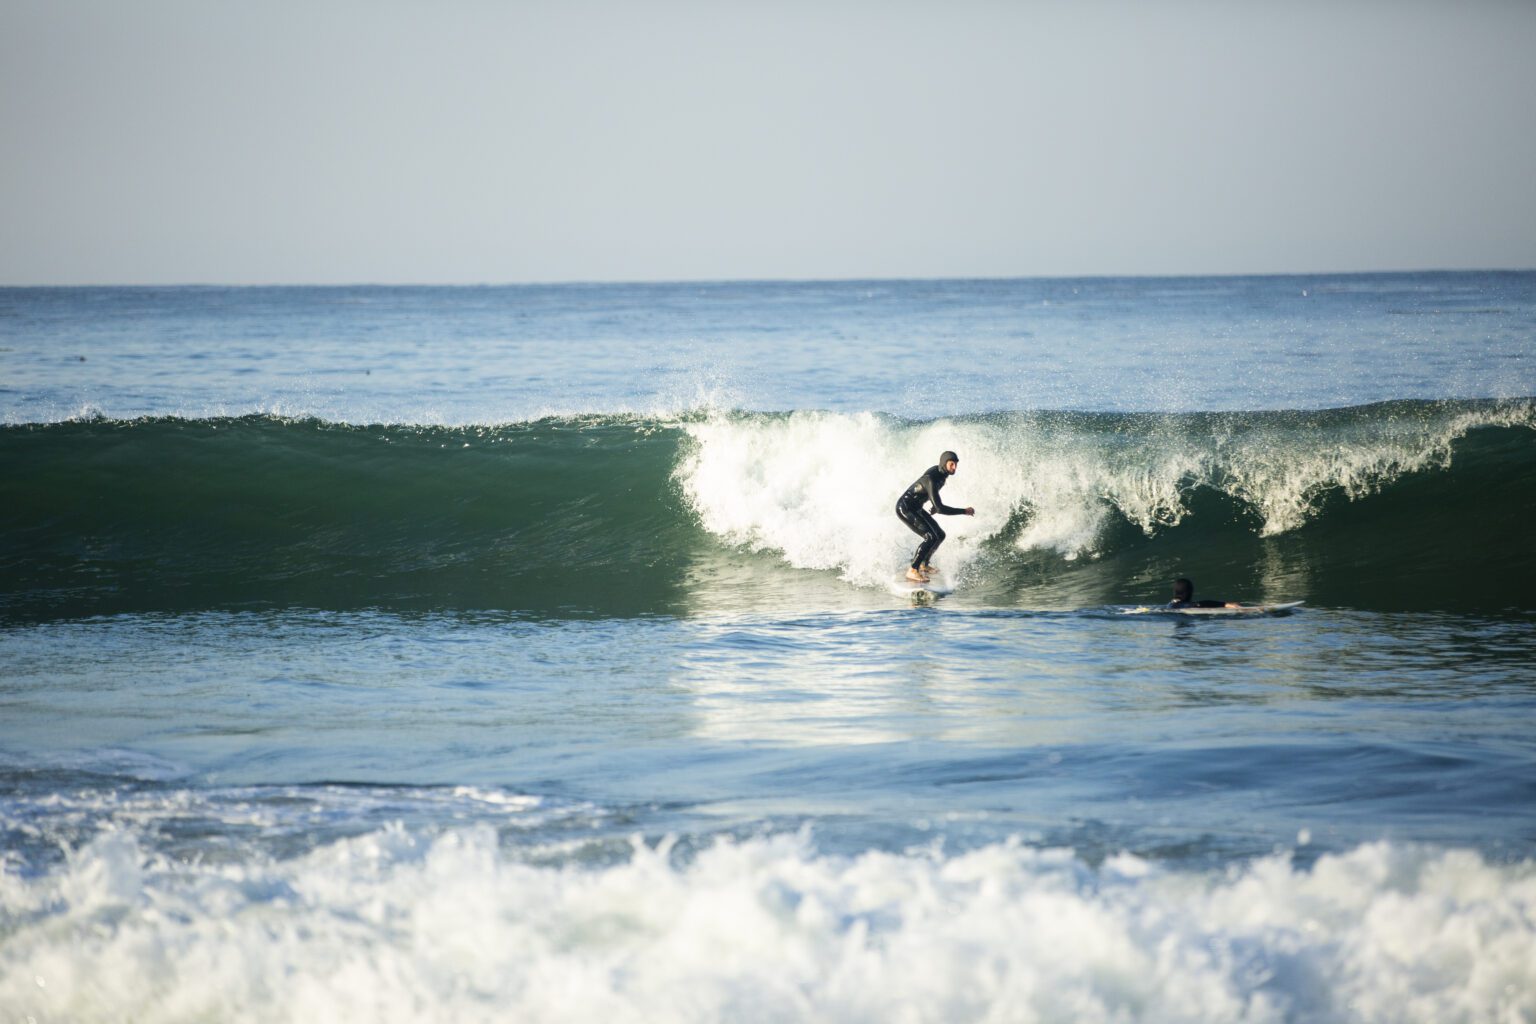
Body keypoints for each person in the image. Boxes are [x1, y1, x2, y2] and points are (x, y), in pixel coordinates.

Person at [896, 450, 974, 582]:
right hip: (905, 508)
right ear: (944, 463)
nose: (954, 467)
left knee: (940, 535)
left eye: (956, 464)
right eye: (951, 464)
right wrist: (964, 511)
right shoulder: (931, 478)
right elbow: (940, 508)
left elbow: (929, 493)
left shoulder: (942, 475)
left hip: (917, 508)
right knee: (930, 537)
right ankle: (913, 570)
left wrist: (934, 504)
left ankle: (924, 564)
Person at [1169, 578, 1240, 609]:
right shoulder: (1181, 605)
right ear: (1189, 592)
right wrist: (1225, 604)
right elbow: (1199, 604)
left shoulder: (1171, 604)